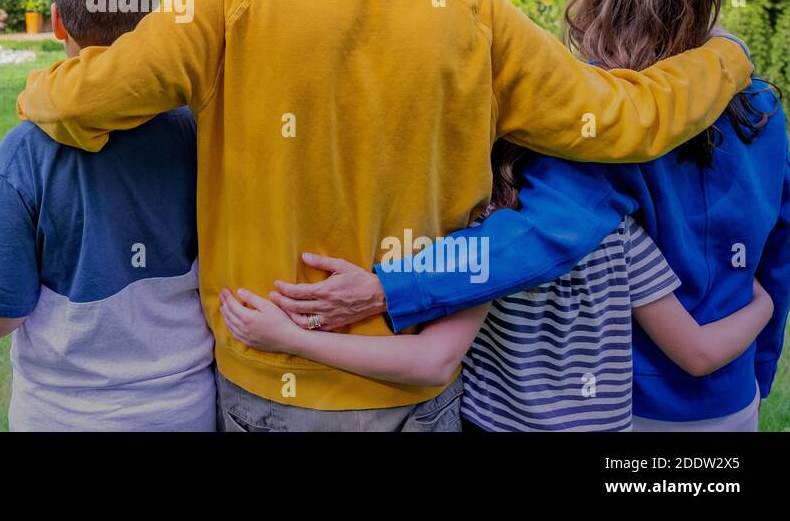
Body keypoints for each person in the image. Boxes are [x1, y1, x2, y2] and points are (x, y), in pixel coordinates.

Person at [16, 0, 753, 431]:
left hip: (272, 369)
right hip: (417, 374)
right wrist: (725, 58)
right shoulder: (475, 14)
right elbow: (624, 121)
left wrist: (34, 94)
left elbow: (89, 100)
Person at [270, 0, 788, 432]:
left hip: (637, 401)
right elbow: (776, 252)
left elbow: (537, 236)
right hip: (731, 394)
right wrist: (761, 368)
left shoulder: (599, 113)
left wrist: (389, 287)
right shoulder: (763, 110)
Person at [220, 138, 776, 431]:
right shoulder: (619, 231)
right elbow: (697, 353)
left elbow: (431, 362)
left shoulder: (486, 247)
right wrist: (764, 303)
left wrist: (291, 340)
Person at [0, 0, 213, 431]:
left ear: (56, 21)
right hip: (185, 408)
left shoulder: (26, 151)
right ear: (155, 21)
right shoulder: (200, 128)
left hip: (62, 414)